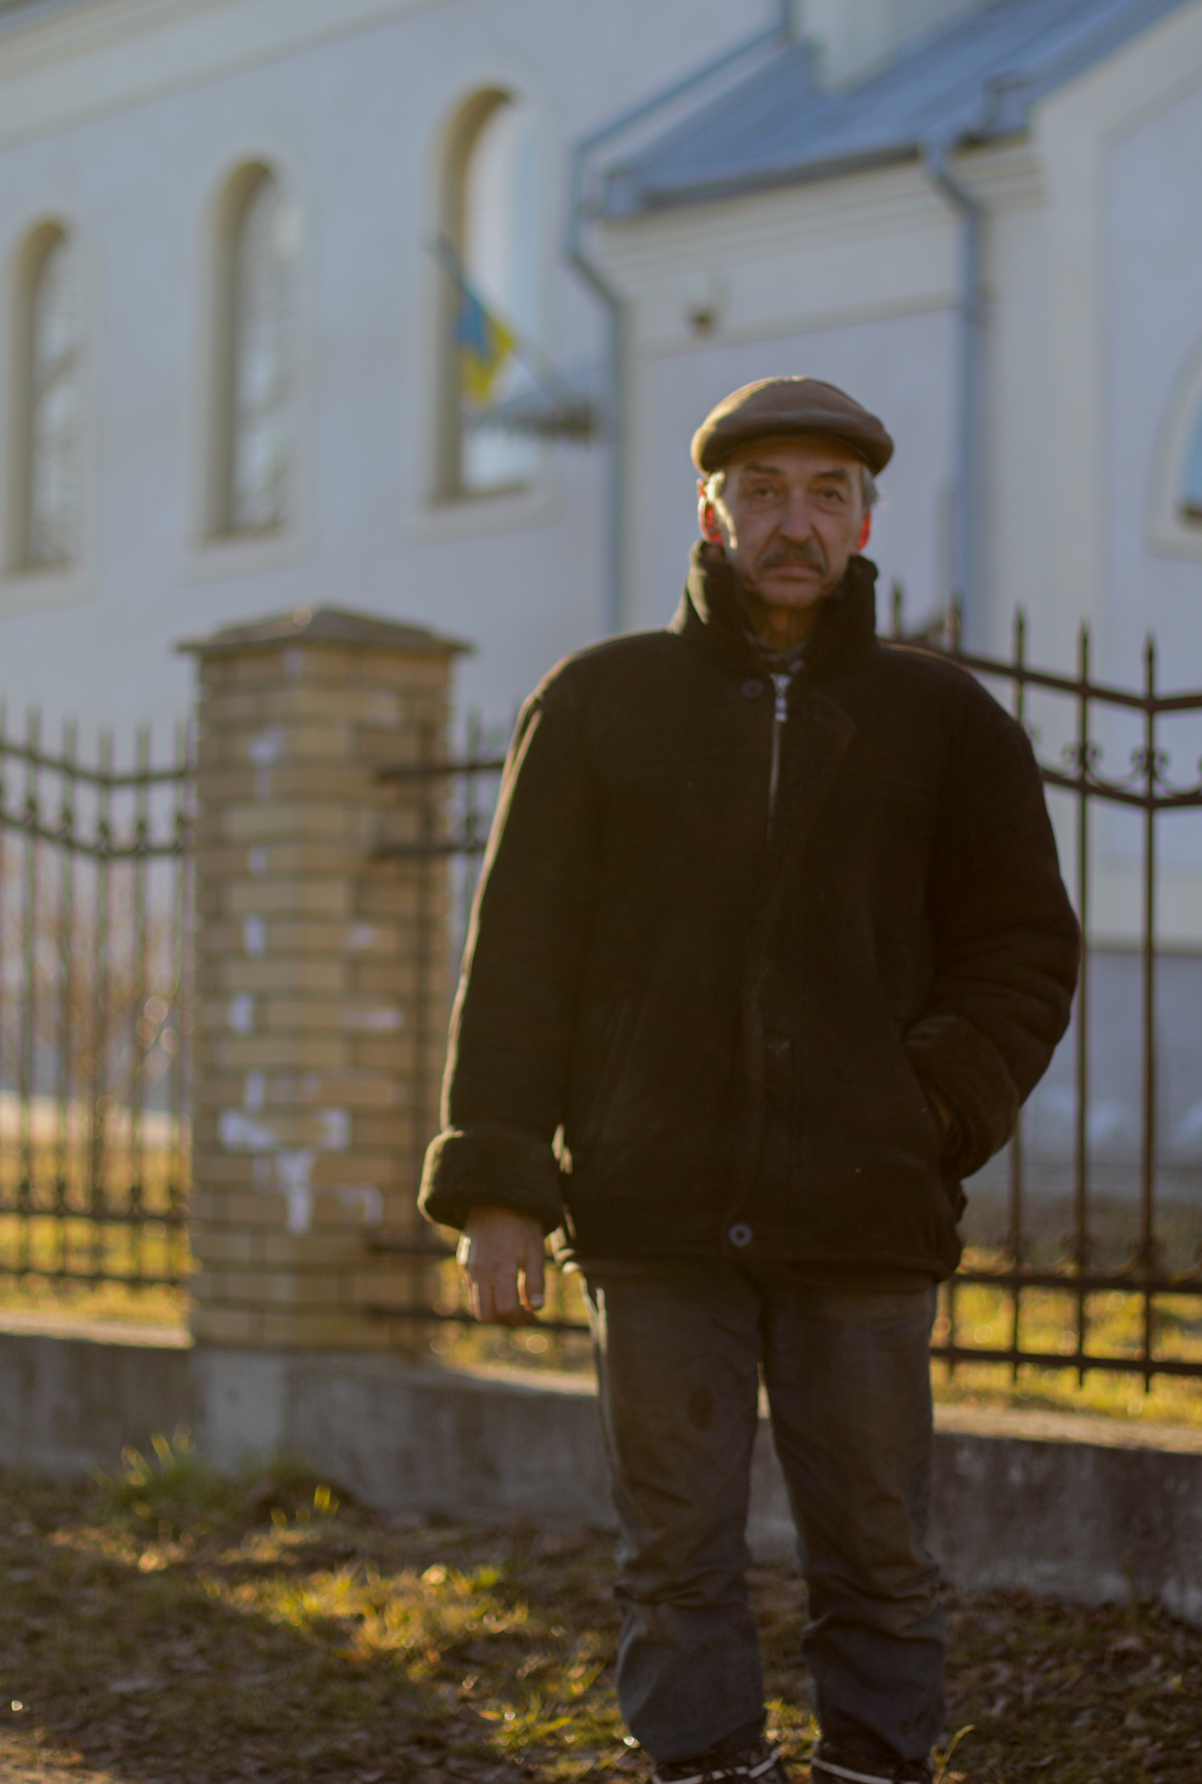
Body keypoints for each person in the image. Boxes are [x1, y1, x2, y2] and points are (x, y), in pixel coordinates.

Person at [418, 377, 1080, 1784]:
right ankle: (707, 1768)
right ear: (709, 514)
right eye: (765, 492)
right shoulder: (598, 705)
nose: (796, 522)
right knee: (675, 1561)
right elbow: (521, 955)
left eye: (826, 495)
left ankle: (875, 1768)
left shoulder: (945, 723)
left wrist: (934, 1109)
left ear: (866, 520)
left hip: (864, 1213)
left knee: (880, 1557)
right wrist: (500, 1187)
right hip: (655, 1217)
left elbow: (1022, 948)